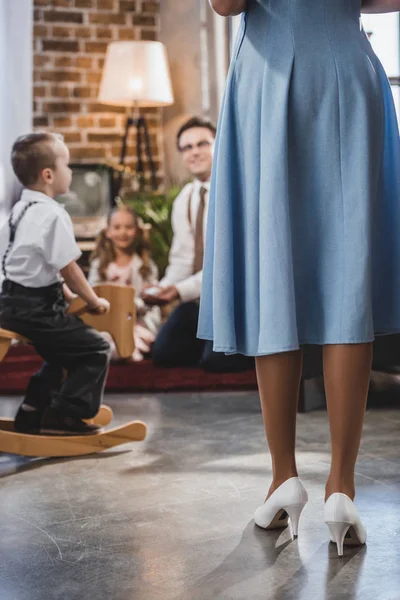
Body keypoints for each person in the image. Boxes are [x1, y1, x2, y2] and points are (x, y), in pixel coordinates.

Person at [199, 0, 400, 556]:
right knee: (347, 278)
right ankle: (343, 486)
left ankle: (283, 476)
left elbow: (225, 3)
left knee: (274, 274)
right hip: (349, 73)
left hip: (269, 79)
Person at [0, 132, 112, 436]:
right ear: (48, 174)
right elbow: (69, 268)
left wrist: (62, 292)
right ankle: (65, 414)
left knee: (65, 352)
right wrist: (93, 300)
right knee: (97, 347)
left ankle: (33, 409)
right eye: (67, 164)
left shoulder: (16, 212)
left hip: (9, 304)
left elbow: (35, 266)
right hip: (36, 311)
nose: (72, 171)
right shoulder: (53, 214)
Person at [144, 116, 254, 372]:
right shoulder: (185, 199)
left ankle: (238, 346)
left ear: (219, 145)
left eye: (202, 144)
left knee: (215, 363)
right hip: (200, 300)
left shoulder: (237, 191)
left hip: (236, 297)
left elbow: (230, 263)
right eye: (187, 147)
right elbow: (182, 259)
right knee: (163, 354)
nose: (194, 152)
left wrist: (179, 291)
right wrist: (162, 289)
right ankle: (212, 345)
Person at [88, 205, 161, 361]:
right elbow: (93, 295)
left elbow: (152, 295)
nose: (123, 233)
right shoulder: (100, 266)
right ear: (108, 231)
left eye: (128, 227)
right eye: (117, 227)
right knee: (102, 337)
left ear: (137, 231)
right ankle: (117, 350)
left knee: (139, 336)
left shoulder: (145, 266)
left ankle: (126, 350)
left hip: (137, 320)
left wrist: (135, 305)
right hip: (108, 321)